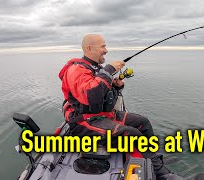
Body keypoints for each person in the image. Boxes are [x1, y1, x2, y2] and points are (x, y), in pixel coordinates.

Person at [58, 34, 182, 180]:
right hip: (84, 123)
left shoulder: (96, 68)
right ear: (89, 48)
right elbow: (92, 96)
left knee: (143, 123)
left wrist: (115, 87)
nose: (106, 50)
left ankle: (154, 158)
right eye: (103, 46)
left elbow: (103, 95)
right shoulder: (76, 70)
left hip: (101, 116)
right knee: (132, 134)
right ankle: (163, 175)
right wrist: (109, 69)